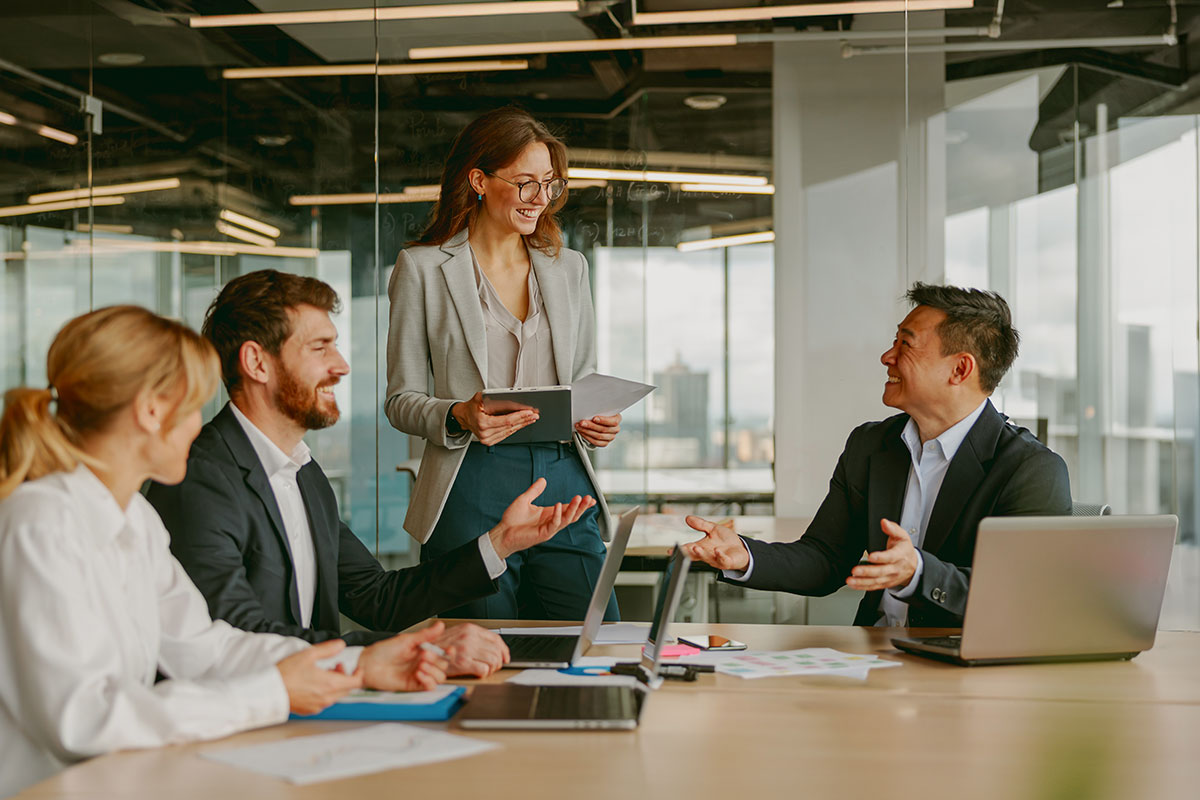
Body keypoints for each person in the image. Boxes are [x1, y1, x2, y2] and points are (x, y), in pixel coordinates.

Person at [0, 306, 450, 798]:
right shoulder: (41, 522)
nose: (200, 426)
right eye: (192, 407)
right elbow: (83, 720)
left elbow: (205, 647)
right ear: (151, 411)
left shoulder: (135, 518)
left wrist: (354, 667)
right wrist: (272, 692)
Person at [148, 270, 594, 676]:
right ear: (257, 363)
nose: (341, 365)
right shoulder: (198, 480)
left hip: (312, 709)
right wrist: (415, 653)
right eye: (320, 347)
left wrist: (501, 543)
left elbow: (377, 598)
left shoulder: (302, 473)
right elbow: (240, 636)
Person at [683, 283, 1072, 627]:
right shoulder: (870, 446)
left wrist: (918, 573)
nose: (888, 356)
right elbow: (826, 559)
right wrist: (746, 556)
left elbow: (1021, 599)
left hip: (963, 675)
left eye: (906, 343)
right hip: (874, 662)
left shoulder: (1030, 469)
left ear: (959, 369)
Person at [385, 106, 621, 621]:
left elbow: (582, 379)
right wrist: (459, 415)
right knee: (484, 653)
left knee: (595, 642)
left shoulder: (568, 268)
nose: (541, 199)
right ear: (478, 180)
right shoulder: (422, 268)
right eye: (525, 184)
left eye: (550, 185)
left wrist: (597, 418)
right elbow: (401, 402)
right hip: (469, 478)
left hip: (563, 477)